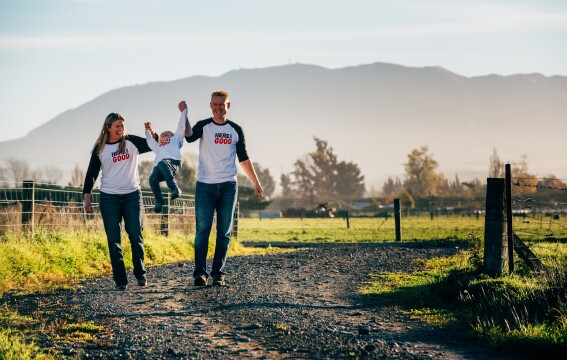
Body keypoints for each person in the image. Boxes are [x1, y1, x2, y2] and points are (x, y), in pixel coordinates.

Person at [185, 90, 264, 287]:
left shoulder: (235, 130)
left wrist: (256, 181)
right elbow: (188, 137)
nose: (219, 107)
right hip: (205, 186)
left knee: (224, 231)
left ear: (228, 106)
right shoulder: (203, 126)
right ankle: (200, 273)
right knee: (202, 229)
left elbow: (243, 158)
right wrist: (184, 115)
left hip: (229, 185)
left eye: (222, 104)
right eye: (215, 104)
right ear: (210, 105)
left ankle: (218, 273)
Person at [83, 112, 152, 291]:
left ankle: (140, 273)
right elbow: (91, 174)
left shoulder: (131, 142)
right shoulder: (100, 148)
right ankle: (121, 280)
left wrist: (151, 133)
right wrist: (87, 199)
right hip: (109, 198)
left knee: (135, 234)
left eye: (122, 126)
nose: (121, 129)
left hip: (132, 195)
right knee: (114, 240)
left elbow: (156, 144)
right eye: (117, 126)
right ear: (108, 128)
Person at [144, 101, 192, 213]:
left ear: (173, 135)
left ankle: (175, 189)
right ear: (160, 139)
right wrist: (147, 131)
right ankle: (159, 201)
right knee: (152, 179)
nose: (164, 134)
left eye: (167, 133)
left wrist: (184, 111)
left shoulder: (176, 139)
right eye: (162, 134)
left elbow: (181, 126)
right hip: (160, 168)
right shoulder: (159, 146)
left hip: (173, 163)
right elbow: (150, 141)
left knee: (162, 163)